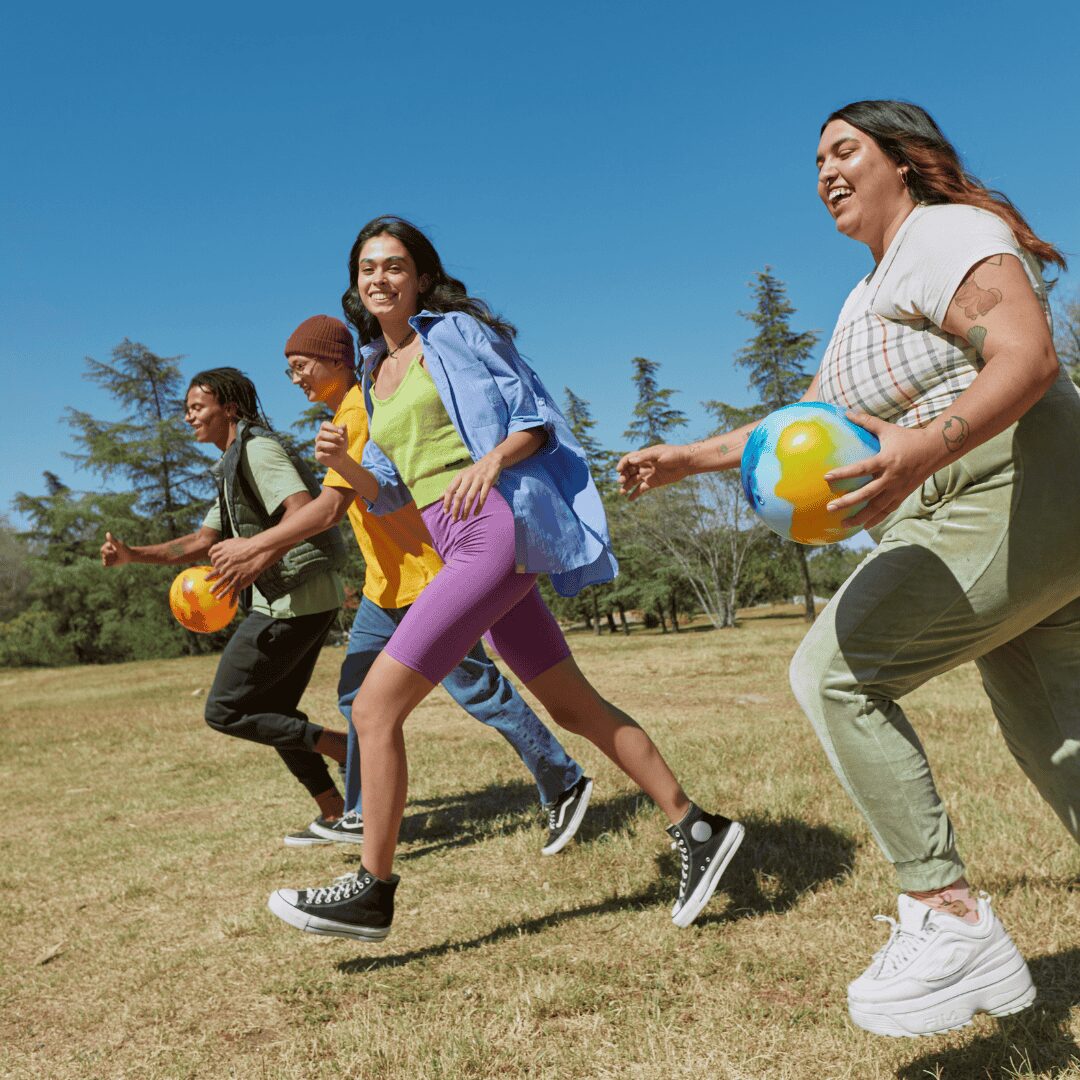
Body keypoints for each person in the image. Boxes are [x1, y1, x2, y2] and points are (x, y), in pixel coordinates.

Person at [618, 99, 1078, 1037]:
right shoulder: (867, 296)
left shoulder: (948, 233)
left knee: (835, 670)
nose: (826, 170)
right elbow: (807, 422)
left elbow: (1028, 358)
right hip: (994, 510)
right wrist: (687, 458)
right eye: (817, 161)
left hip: (1009, 486)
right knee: (1063, 753)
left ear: (902, 162)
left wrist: (921, 448)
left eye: (845, 150)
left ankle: (946, 918)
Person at [264, 216, 744, 942]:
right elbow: (391, 492)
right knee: (573, 706)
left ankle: (372, 888)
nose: (381, 278)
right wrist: (347, 462)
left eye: (395, 265)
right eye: (368, 268)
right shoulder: (372, 371)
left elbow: (537, 418)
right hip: (451, 539)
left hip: (491, 529)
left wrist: (490, 462)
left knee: (372, 709)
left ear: (420, 277)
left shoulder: (452, 334)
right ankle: (699, 829)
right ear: (355, 283)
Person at [207, 314, 593, 855]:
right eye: (289, 369)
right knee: (355, 696)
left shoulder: (361, 410)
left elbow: (328, 509)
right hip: (384, 585)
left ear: (336, 361)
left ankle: (563, 777)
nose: (294, 378)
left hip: (429, 574)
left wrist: (258, 546)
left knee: (478, 689)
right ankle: (362, 813)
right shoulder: (342, 414)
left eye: (301, 366)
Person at [101, 368, 351, 844]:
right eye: (187, 409)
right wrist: (134, 555)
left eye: (198, 406)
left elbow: (303, 510)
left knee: (225, 710)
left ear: (230, 408)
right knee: (272, 708)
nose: (189, 415)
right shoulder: (231, 464)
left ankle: (345, 748)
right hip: (299, 598)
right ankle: (335, 812)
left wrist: (257, 554)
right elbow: (201, 541)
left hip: (295, 597)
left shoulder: (258, 449)